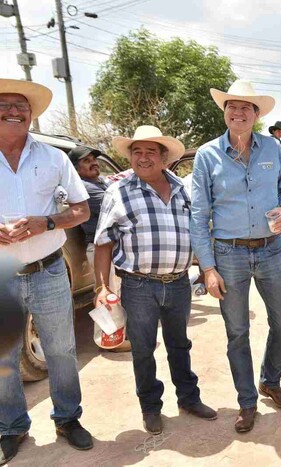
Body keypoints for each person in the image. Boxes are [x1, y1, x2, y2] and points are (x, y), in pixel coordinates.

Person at [93, 125, 217, 435]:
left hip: (177, 282)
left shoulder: (183, 189)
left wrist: (205, 268)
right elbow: (103, 242)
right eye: (137, 152)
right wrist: (101, 287)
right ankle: (150, 407)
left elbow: (199, 232)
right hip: (138, 285)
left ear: (164, 157)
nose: (143, 158)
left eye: (151, 152)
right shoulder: (117, 191)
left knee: (179, 344)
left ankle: (189, 398)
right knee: (143, 349)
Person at [190, 80, 281, 433]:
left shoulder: (273, 149)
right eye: (232, 106)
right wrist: (208, 268)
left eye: (246, 107)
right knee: (238, 331)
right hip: (227, 253)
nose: (238, 112)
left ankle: (270, 380)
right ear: (225, 112)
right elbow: (199, 214)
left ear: (256, 114)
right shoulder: (207, 155)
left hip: (270, 250)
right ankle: (247, 401)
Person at [0, 79, 93, 464]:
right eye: (4, 104)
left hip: (50, 270)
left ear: (31, 113)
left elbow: (81, 210)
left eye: (21, 105)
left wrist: (47, 223)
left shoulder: (53, 158)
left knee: (62, 350)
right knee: (4, 356)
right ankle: (11, 427)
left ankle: (68, 419)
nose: (13, 111)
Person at [68, 145, 131, 352]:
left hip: (113, 249)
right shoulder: (85, 188)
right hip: (101, 250)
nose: (94, 163)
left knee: (115, 295)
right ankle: (110, 342)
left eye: (94, 159)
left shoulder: (100, 182)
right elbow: (122, 206)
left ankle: (117, 336)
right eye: (86, 161)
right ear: (76, 169)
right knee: (107, 295)